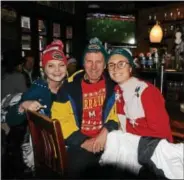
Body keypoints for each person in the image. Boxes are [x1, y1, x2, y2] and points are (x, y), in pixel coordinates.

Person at [99, 48, 184, 179]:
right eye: (111, 65)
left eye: (121, 64)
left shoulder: (147, 92)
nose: (115, 68)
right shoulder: (117, 91)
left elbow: (162, 134)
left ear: (131, 68)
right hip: (133, 154)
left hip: (152, 156)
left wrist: (132, 143)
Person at [51, 37, 119, 178]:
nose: (94, 67)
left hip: (106, 140)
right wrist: (83, 141)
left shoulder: (114, 86)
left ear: (105, 64)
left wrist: (107, 130)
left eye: (98, 61)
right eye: (89, 61)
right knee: (81, 169)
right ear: (83, 63)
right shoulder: (68, 87)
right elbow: (60, 120)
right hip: (78, 144)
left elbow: (118, 113)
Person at [5, 40, 68, 178]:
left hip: (69, 142)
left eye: (61, 65)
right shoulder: (38, 88)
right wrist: (23, 106)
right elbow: (11, 119)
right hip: (47, 153)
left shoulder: (69, 86)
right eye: (51, 65)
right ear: (43, 68)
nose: (57, 70)